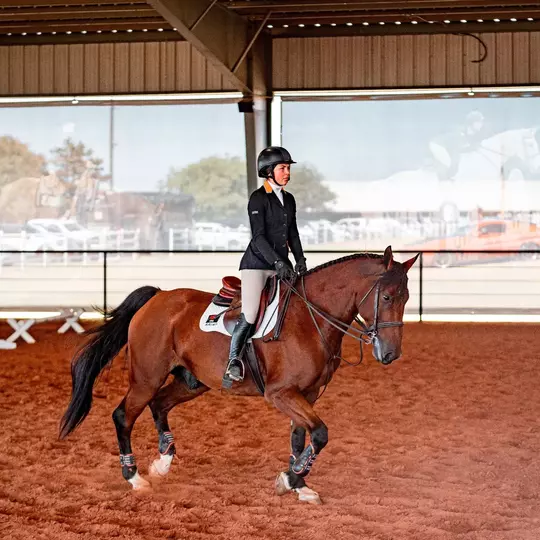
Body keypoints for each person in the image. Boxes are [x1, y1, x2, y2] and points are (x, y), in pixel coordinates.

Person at [222, 146, 307, 386]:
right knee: (249, 313)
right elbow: (258, 237)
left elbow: (293, 232)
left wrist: (300, 259)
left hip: (282, 265)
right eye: (283, 168)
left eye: (288, 168)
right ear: (269, 171)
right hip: (257, 265)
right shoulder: (258, 198)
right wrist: (278, 261)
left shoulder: (288, 199)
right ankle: (233, 361)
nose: (287, 172)